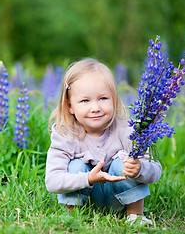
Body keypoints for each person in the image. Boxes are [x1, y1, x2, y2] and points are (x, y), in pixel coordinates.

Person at [45, 58, 161, 225]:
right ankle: (74, 218)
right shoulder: (66, 135)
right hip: (86, 201)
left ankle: (135, 216)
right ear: (70, 106)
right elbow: (52, 181)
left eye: (103, 98)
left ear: (113, 99)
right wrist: (88, 178)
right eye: (85, 101)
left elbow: (156, 170)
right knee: (75, 166)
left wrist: (140, 169)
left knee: (124, 163)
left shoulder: (127, 130)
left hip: (118, 199)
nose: (95, 108)